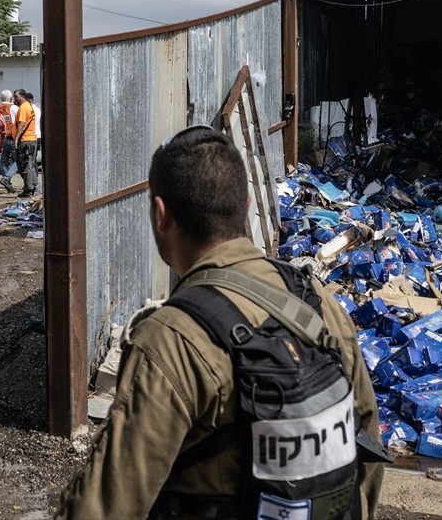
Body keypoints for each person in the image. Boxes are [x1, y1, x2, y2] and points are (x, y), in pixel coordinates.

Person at [56, 126, 383, 518]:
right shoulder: (314, 302)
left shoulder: (171, 338)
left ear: (160, 216)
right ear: (246, 205)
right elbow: (367, 447)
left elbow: (104, 507)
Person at [12, 88, 39, 198]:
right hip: (33, 139)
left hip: (25, 140)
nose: (15, 99)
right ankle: (33, 185)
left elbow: (22, 125)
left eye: (16, 96)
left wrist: (16, 138)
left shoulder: (23, 108)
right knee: (31, 164)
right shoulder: (29, 106)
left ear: (22, 96)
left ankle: (28, 189)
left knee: (25, 165)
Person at [0, 89, 19, 193]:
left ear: (1, 99)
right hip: (13, 138)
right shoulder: (14, 108)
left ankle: (7, 182)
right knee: (18, 161)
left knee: (3, 161)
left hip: (2, 138)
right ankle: (6, 179)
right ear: (11, 98)